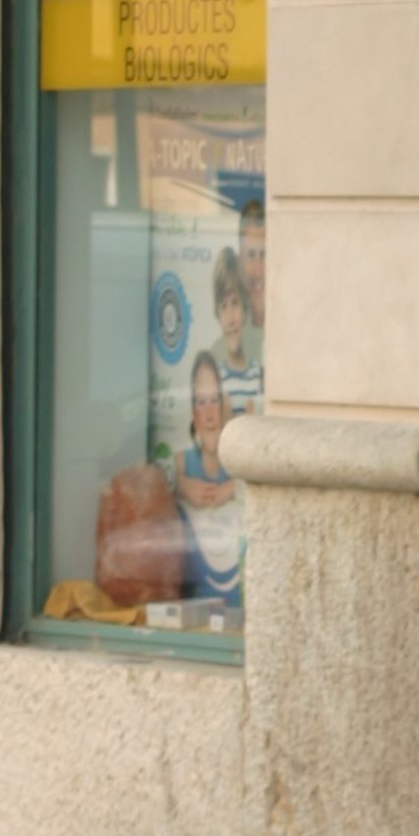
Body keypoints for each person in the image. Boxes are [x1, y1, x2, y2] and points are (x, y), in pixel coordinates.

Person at [174, 350, 246, 606]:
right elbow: (155, 484)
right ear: (193, 412)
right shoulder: (181, 465)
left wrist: (234, 488)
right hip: (195, 607)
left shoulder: (240, 464)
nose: (209, 413)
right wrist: (180, 486)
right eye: (202, 402)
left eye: (214, 400)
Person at [212, 246, 262, 418]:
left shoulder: (258, 376)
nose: (231, 318)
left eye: (235, 304)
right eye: (224, 307)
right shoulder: (215, 378)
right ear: (217, 314)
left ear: (245, 309)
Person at [239, 198, 267, 358]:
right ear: (240, 259)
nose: (258, 270)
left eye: (264, 255)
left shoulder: (292, 336)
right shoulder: (222, 350)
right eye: (251, 255)